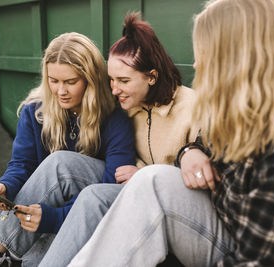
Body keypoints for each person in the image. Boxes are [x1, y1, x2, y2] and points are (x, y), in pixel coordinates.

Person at [65, 0, 274, 266]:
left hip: (239, 250)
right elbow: (200, 147)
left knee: (151, 181)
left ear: (237, 59)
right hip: (218, 224)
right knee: (96, 184)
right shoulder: (242, 115)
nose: (195, 65)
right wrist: (189, 152)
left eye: (204, 53)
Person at [0, 32, 136, 267]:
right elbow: (22, 164)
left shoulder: (114, 117)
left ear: (90, 79)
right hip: (32, 197)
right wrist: (6, 187)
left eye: (71, 82)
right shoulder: (35, 111)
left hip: (74, 208)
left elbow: (107, 187)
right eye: (54, 80)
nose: (61, 90)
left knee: (36, 249)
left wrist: (51, 218)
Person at [38, 13, 202, 266]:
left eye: (123, 81)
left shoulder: (193, 109)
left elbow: (202, 183)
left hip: (177, 212)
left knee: (94, 198)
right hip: (133, 194)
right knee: (65, 166)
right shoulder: (126, 107)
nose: (114, 90)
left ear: (152, 76)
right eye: (112, 80)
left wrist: (148, 174)